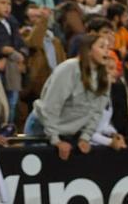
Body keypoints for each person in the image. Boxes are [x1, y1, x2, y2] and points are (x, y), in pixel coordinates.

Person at [27, 32, 112, 160]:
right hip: (42, 128)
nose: (107, 51)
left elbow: (96, 111)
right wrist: (55, 140)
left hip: (68, 133)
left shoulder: (104, 77)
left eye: (108, 47)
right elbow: (51, 106)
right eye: (102, 47)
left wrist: (85, 137)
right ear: (88, 50)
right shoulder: (69, 68)